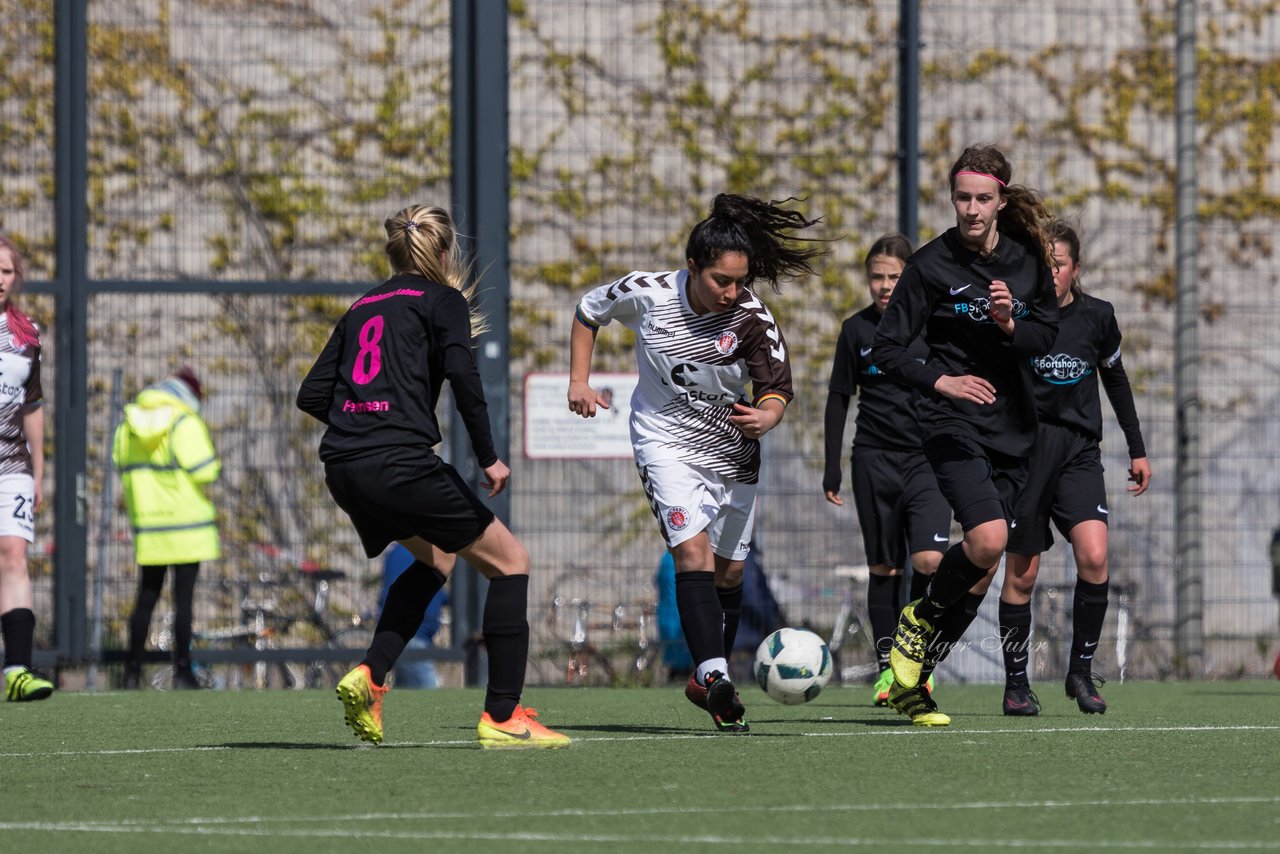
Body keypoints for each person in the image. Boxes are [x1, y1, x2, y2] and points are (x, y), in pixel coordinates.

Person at [297, 204, 569, 749]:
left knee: (436, 557)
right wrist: (489, 456)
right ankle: (504, 715)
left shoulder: (360, 307)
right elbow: (464, 377)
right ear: (444, 254)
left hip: (345, 467)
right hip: (399, 463)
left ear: (392, 252)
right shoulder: (442, 299)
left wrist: (364, 419)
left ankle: (371, 675)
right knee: (511, 563)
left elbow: (311, 395)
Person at [568, 193, 824, 732]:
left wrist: (768, 417)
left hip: (732, 450)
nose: (733, 293)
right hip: (664, 441)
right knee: (693, 553)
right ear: (692, 268)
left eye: (740, 281)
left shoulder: (751, 317)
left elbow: (776, 387)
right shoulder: (647, 294)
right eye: (721, 282)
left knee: (731, 570)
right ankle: (713, 675)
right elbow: (588, 312)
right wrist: (578, 379)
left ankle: (709, 679)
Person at [872, 145, 1059, 726]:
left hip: (1014, 428)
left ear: (1001, 198)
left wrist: (1010, 322)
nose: (972, 209)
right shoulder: (929, 265)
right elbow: (886, 349)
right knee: (987, 539)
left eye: (983, 198)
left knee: (980, 570)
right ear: (952, 198)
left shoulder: (1027, 261)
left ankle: (915, 683)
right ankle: (917, 620)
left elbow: (1046, 338)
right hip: (950, 421)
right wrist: (942, 381)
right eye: (962, 197)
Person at [990, 221, 1150, 716]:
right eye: (1044, 265)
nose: (1051, 273)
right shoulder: (1015, 319)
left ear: (1076, 269)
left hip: (1079, 453)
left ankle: (1080, 671)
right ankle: (1016, 683)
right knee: (1023, 573)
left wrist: (1137, 449)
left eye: (1059, 264)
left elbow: (1116, 383)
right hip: (1027, 456)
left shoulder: (1098, 317)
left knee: (1095, 556)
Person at [823, 233, 951, 706]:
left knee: (930, 562)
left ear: (909, 278)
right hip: (874, 460)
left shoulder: (932, 327)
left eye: (893, 276)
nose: (883, 285)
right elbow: (839, 399)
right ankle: (885, 672)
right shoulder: (855, 331)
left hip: (927, 459)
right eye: (876, 276)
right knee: (884, 569)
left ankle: (915, 662)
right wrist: (832, 466)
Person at [114, 367, 221, 690]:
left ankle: (131, 671)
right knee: (183, 601)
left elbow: (120, 463)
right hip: (187, 526)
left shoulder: (129, 424)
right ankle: (183, 671)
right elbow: (206, 471)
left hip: (150, 525)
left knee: (146, 597)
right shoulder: (183, 422)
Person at [0, 235, 52, 702]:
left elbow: (33, 406)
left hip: (11, 460)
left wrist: (38, 472)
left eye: (6, 271)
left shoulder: (27, 336)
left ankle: (18, 670)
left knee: (14, 555)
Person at [380, 543, 448, 688]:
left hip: (407, 635)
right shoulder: (416, 552)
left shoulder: (401, 552)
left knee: (406, 691)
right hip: (412, 635)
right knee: (428, 690)